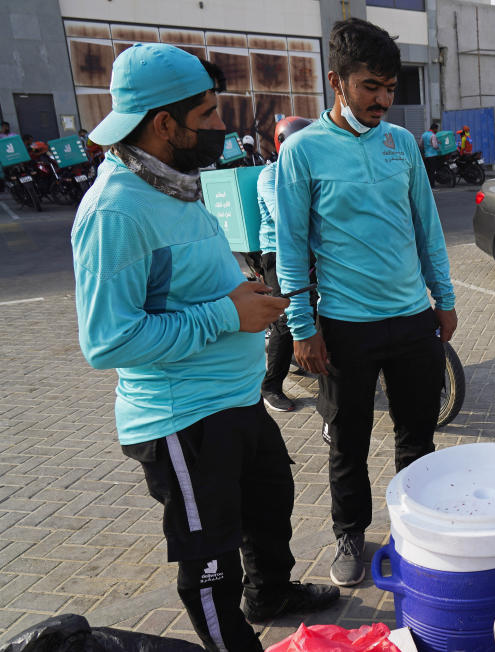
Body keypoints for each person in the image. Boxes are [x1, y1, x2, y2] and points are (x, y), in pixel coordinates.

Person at [71, 43, 339, 650]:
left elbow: (185, 284)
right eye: (209, 115)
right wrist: (228, 313)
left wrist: (240, 294)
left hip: (235, 397)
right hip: (182, 417)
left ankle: (272, 592)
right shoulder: (115, 211)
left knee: (270, 505)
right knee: (211, 558)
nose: (223, 127)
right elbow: (108, 341)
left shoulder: (178, 183)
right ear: (165, 124)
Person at [274, 17, 457, 588]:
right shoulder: (302, 153)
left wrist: (443, 299)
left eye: (390, 88)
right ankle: (350, 534)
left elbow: (428, 229)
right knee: (347, 441)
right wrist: (304, 328)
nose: (382, 99)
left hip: (411, 322)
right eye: (370, 86)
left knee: (418, 438)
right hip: (345, 327)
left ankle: (417, 530)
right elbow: (291, 249)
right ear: (337, 81)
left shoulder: (401, 145)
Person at [255, 116, 313, 412]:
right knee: (285, 316)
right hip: (278, 253)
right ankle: (271, 387)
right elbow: (286, 219)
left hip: (309, 250)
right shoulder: (270, 175)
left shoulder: (312, 172)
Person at [421, 122, 441, 186]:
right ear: (434, 129)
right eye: (437, 129)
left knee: (427, 171)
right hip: (433, 155)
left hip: (426, 156)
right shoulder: (433, 135)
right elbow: (435, 146)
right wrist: (439, 146)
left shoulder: (424, 134)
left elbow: (420, 144)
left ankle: (427, 185)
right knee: (432, 171)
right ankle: (432, 185)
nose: (437, 131)